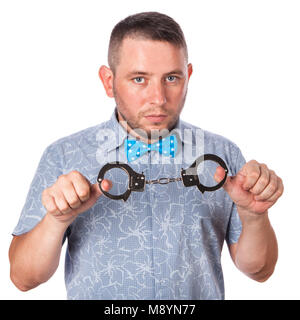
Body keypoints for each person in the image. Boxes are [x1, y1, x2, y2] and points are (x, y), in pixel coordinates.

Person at [9, 11, 283, 300]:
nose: (158, 98)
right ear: (108, 81)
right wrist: (56, 220)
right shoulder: (64, 155)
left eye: (172, 78)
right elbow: (23, 278)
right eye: (139, 79)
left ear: (188, 77)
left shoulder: (221, 155)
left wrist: (253, 217)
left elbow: (259, 270)